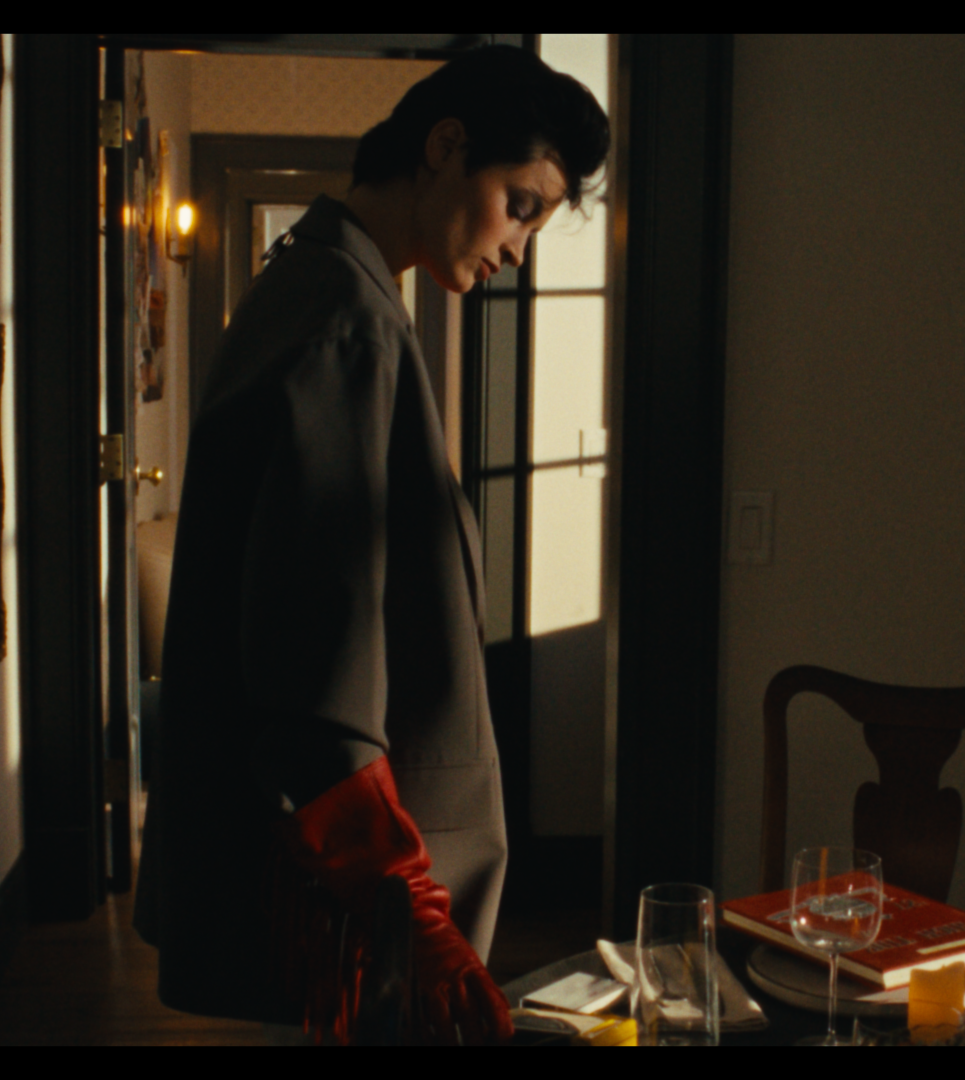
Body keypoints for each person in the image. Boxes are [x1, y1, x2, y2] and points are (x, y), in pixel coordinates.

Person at [133, 45, 610, 1045]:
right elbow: (314, 662)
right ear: (445, 148)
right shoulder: (347, 323)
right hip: (356, 900)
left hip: (345, 884)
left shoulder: (317, 284)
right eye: (521, 204)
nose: (523, 247)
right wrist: (413, 911)